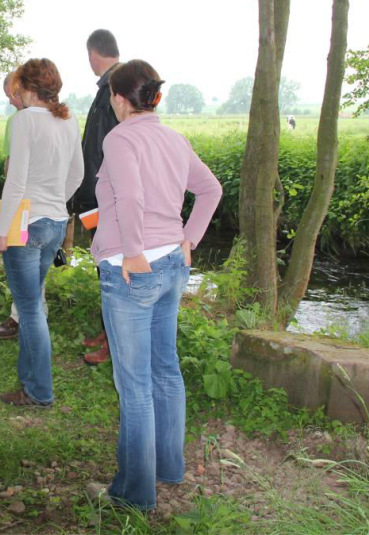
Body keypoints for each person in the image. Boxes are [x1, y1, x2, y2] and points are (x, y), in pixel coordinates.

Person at [85, 60, 222, 511]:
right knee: (165, 370)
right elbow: (211, 190)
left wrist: (133, 251)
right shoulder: (173, 138)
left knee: (135, 386)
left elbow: (130, 198)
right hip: (171, 267)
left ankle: (133, 494)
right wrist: (189, 240)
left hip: (136, 271)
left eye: (111, 95)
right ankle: (169, 468)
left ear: (120, 98)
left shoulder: (120, 137)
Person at [0, 59, 83, 407]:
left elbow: (16, 181)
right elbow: (78, 173)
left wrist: (2, 232)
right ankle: (29, 382)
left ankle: (40, 391)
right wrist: (56, 201)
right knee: (32, 306)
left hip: (26, 226)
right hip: (56, 223)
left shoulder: (25, 120)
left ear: (27, 88)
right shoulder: (68, 118)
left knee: (29, 310)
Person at [73, 29, 122, 365]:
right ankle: (109, 331)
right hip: (95, 197)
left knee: (112, 269)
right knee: (103, 267)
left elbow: (108, 147)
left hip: (104, 197)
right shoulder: (110, 84)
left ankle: (115, 340)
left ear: (93, 53)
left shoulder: (114, 86)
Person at [0, 73, 47, 340]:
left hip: (36, 206)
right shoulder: (15, 120)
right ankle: (26, 315)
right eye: (8, 98)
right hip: (23, 204)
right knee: (25, 265)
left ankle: (25, 318)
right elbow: (9, 165)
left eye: (13, 95)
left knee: (30, 265)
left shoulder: (40, 120)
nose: (12, 102)